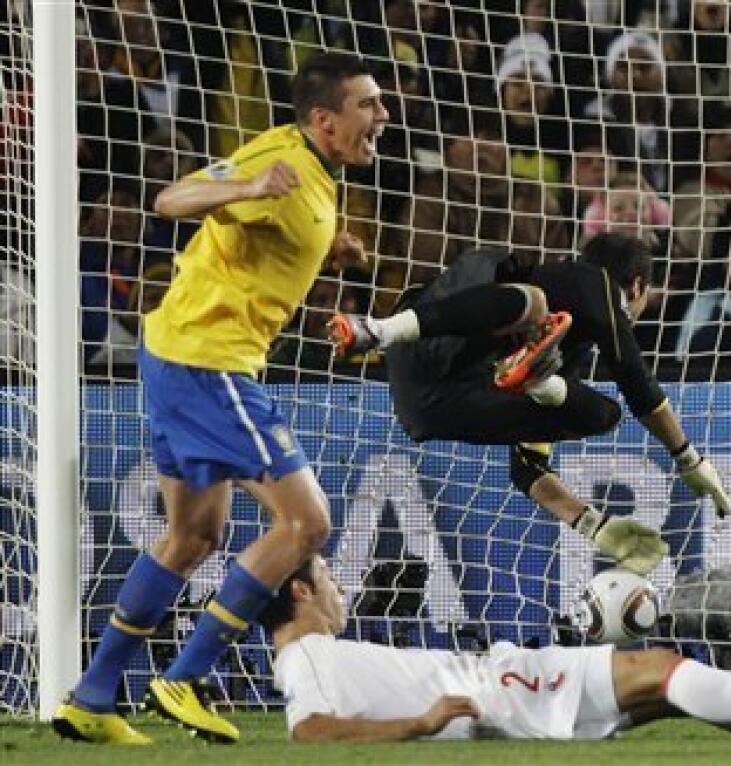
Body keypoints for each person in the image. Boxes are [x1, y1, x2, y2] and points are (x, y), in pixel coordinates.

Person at [52, 51, 389, 746]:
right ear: (324, 120)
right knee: (307, 524)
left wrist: (328, 249)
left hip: (182, 355)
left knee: (193, 536)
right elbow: (170, 201)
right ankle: (187, 676)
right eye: (369, 105)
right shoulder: (277, 162)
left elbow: (273, 236)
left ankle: (91, 696)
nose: (383, 116)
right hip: (209, 363)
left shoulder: (320, 176)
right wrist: (244, 187)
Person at [330, 233, 731, 576]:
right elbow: (637, 381)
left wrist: (596, 526)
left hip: (429, 405)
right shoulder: (587, 283)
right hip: (426, 341)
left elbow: (529, 467)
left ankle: (538, 382)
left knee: (602, 413)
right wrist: (687, 457)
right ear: (638, 286)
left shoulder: (566, 351)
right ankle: (377, 329)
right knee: (533, 304)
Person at [261, 556, 731, 742]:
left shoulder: (311, 655)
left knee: (671, 695)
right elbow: (309, 732)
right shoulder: (307, 655)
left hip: (500, 685)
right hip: (497, 691)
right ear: (299, 592)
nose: (340, 588)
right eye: (328, 579)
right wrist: (420, 723)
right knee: (658, 670)